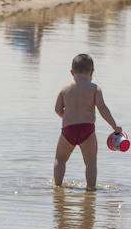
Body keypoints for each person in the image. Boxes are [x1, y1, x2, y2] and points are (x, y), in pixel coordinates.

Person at [52, 52, 121, 189]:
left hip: (68, 130)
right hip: (87, 131)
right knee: (90, 163)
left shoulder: (65, 90)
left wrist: (67, 117)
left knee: (60, 159)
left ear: (72, 72)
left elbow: (57, 109)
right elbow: (102, 109)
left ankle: (57, 187)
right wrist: (114, 126)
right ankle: (90, 190)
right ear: (92, 72)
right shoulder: (95, 89)